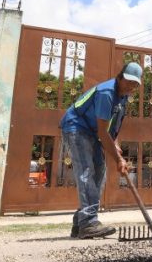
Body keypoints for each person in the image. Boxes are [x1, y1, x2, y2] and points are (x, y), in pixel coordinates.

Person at [59, 62, 143, 239]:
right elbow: (103, 132)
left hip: (93, 131)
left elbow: (111, 130)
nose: (131, 86)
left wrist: (116, 145)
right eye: (128, 81)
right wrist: (118, 160)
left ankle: (80, 223)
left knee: (99, 173)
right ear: (120, 77)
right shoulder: (107, 93)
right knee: (86, 171)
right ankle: (88, 222)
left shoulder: (123, 98)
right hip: (76, 127)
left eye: (135, 84)